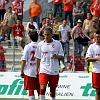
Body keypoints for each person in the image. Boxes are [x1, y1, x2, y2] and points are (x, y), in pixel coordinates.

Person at [35, 27, 64, 100]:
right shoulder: (40, 45)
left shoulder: (57, 44)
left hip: (54, 70)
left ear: (52, 34)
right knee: (43, 87)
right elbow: (38, 58)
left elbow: (62, 56)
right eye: (45, 35)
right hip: (43, 69)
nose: (46, 36)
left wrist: (57, 56)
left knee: (53, 89)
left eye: (48, 34)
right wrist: (36, 70)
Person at [20, 31, 40, 100]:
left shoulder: (28, 47)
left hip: (29, 71)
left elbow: (24, 60)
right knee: (40, 91)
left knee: (31, 91)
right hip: (39, 71)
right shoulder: (40, 46)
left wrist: (22, 71)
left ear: (30, 38)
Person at [86, 29, 100, 100]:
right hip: (96, 71)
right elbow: (88, 59)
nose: (97, 39)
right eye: (96, 37)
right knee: (98, 91)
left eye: (99, 37)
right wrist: (97, 59)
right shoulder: (92, 47)